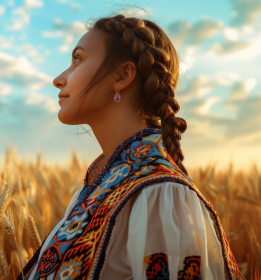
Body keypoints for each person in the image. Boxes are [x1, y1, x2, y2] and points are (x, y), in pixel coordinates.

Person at [17, 14, 243, 280]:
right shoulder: (92, 193)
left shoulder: (158, 195)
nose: (58, 79)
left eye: (77, 59)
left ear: (123, 75)